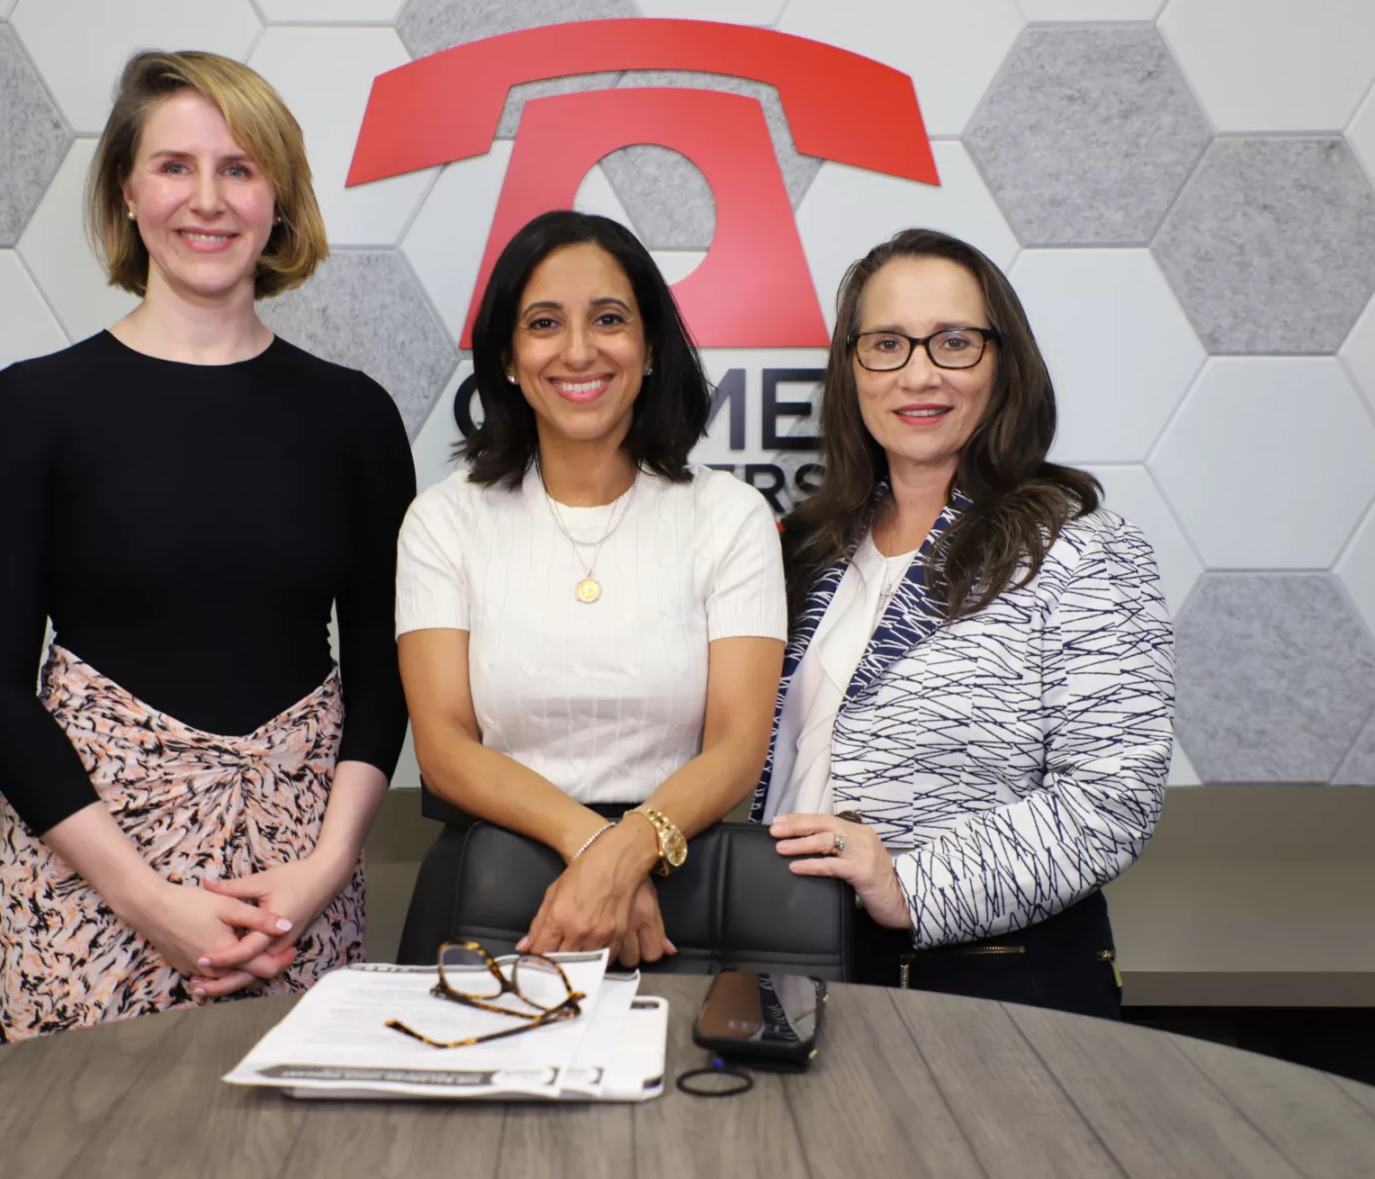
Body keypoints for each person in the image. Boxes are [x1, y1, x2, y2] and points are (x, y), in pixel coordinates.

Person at [0, 51, 414, 1046]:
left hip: (293, 894)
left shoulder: (354, 418)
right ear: (126, 188)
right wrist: (147, 901)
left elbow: (383, 676)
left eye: (240, 168)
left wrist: (321, 873)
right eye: (175, 166)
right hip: (88, 888)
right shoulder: (29, 410)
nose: (207, 200)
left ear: (279, 196)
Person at [755, 229, 1173, 1019]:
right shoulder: (802, 549)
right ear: (852, 369)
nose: (918, 373)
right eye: (886, 344)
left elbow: (1113, 796)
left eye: (953, 342)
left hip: (984, 987)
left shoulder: (1083, 550)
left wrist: (907, 884)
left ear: (1002, 363)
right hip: (789, 971)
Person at [395, 210, 786, 968]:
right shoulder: (445, 520)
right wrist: (596, 849)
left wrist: (632, 851)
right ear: (508, 357)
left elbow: (739, 744)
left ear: (648, 350)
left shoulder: (728, 516)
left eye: (609, 319)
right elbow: (442, 750)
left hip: (677, 895)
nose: (578, 350)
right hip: (489, 888)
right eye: (544, 323)